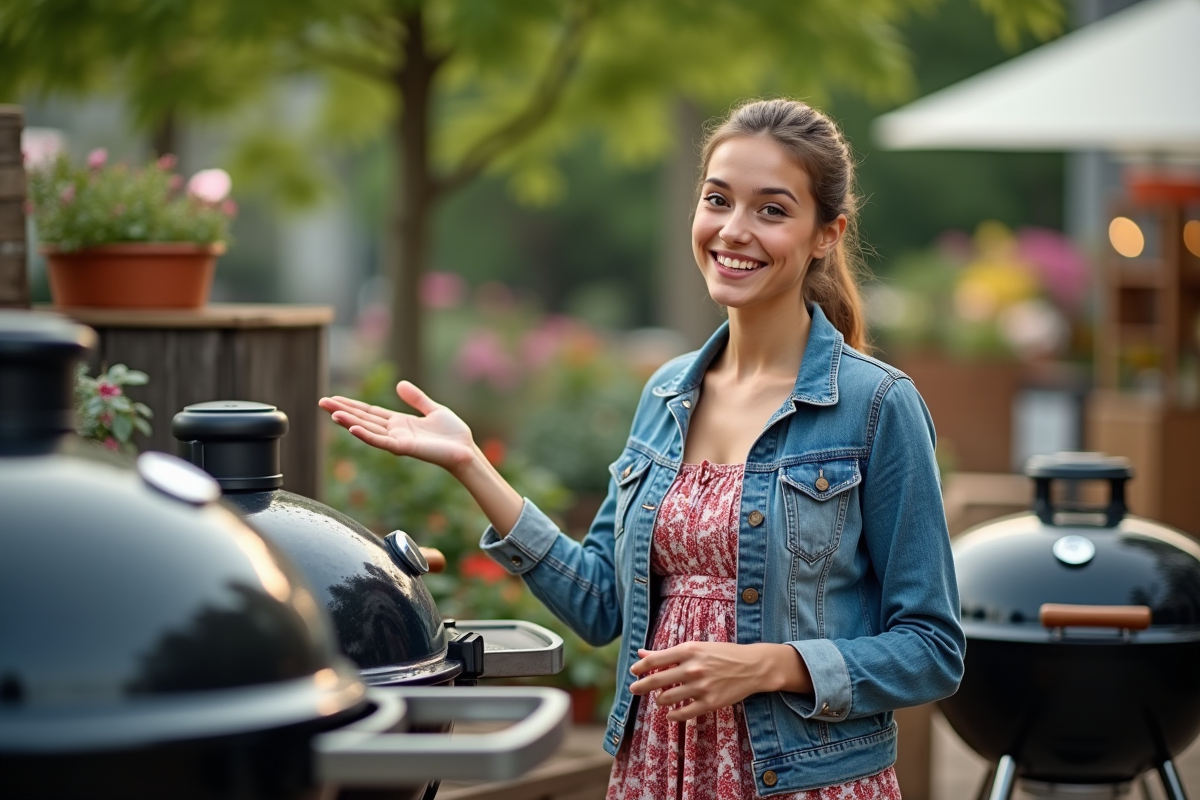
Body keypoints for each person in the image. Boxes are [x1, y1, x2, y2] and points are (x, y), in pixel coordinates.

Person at [320, 98, 964, 799]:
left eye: (772, 210)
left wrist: (771, 665)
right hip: (656, 771)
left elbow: (932, 649)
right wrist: (471, 463)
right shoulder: (666, 393)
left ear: (825, 234)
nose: (734, 230)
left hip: (802, 780)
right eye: (718, 200)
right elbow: (602, 604)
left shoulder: (876, 407)